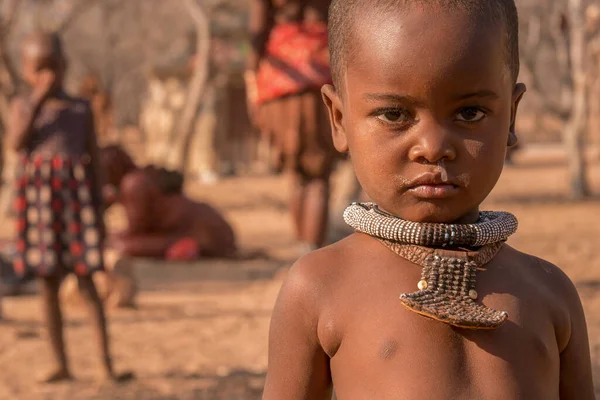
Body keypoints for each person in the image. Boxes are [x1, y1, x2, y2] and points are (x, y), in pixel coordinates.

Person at [263, 1, 595, 399]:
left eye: (469, 113)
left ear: (510, 116)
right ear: (339, 119)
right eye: (393, 115)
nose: (433, 147)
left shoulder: (549, 291)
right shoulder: (318, 287)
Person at [7, 31, 131, 383]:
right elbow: (16, 143)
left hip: (76, 208)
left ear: (66, 66)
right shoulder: (23, 107)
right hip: (40, 208)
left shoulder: (80, 109)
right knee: (47, 285)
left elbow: (94, 163)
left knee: (87, 283)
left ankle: (105, 363)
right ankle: (60, 363)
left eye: (54, 67)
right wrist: (37, 99)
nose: (48, 75)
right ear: (26, 71)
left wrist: (101, 209)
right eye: (39, 68)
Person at [246, 0, 335, 253]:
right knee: (319, 175)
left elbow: (258, 30)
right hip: (325, 74)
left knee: (299, 175)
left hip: (281, 83)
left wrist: (252, 77)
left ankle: (303, 250)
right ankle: (310, 249)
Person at [99, 145, 237, 260]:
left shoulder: (133, 184)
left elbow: (137, 229)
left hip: (205, 236)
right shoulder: (138, 179)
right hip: (214, 233)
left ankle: (188, 247)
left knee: (121, 246)